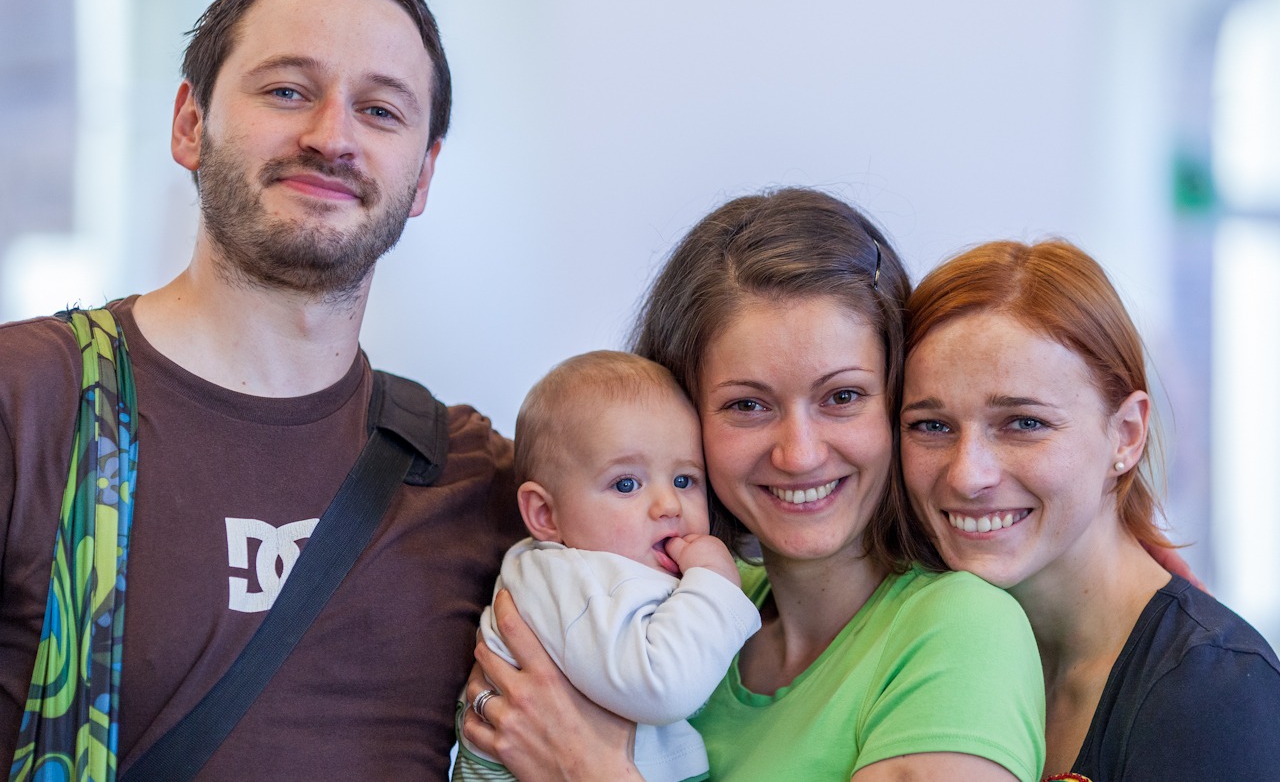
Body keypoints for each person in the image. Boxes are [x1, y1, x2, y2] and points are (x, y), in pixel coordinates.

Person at [0, 0, 525, 778]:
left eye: (381, 111)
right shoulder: (29, 400)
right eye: (287, 90)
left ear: (424, 174)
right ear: (189, 123)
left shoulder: (472, 475)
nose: (331, 136)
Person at [459, 188, 1047, 781]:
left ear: (896, 398)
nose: (799, 454)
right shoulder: (670, 609)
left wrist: (587, 770)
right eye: (747, 405)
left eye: (842, 396)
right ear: (681, 416)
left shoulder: (963, 629)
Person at [900, 239, 1280, 780]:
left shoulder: (1213, 689)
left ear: (1126, 435)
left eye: (1024, 423)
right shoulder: (927, 643)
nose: (967, 475)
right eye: (931, 426)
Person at [453, 351, 761, 782]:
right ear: (545, 514)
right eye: (627, 484)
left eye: (684, 480)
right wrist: (714, 584)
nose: (669, 505)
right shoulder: (574, 580)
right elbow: (663, 687)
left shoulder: (583, 566)